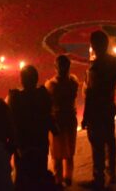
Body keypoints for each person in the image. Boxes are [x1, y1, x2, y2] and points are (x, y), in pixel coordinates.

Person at [7, 64, 53, 188]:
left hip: (23, 142)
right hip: (40, 140)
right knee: (40, 170)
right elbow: (48, 114)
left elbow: (12, 120)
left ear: (22, 80)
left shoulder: (15, 97)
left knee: (23, 173)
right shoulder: (43, 94)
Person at [83, 30, 116, 189]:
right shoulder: (114, 62)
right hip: (109, 106)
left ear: (93, 46)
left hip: (97, 110)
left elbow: (90, 94)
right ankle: (113, 172)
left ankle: (99, 177)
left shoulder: (94, 68)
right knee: (110, 140)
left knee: (97, 144)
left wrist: (85, 116)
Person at [45, 55, 79, 186]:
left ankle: (58, 179)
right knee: (69, 151)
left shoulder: (51, 85)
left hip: (58, 120)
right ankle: (68, 177)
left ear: (55, 67)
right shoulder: (73, 82)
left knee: (57, 152)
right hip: (70, 118)